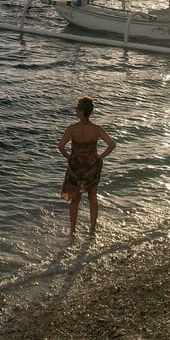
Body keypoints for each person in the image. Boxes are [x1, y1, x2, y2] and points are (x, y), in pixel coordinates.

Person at [57, 95, 116, 235]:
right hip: (92, 165)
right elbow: (112, 145)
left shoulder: (72, 129)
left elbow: (61, 147)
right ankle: (92, 230)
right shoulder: (97, 129)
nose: (75, 110)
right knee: (92, 197)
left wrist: (70, 157)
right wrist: (99, 157)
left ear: (82, 111)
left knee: (75, 199)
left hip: (76, 166)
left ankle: (72, 231)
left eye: (77, 108)